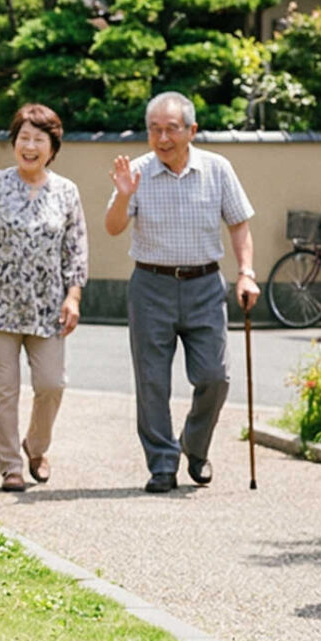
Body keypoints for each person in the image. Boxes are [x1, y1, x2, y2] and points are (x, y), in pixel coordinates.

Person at [104, 91, 260, 493]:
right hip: (150, 285)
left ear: (191, 130)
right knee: (152, 380)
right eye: (154, 129)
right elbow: (113, 227)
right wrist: (123, 196)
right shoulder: (136, 172)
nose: (162, 138)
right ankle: (161, 464)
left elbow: (239, 224)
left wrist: (246, 273)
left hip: (205, 284)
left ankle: (195, 443)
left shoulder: (217, 168)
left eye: (171, 128)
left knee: (215, 376)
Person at [0, 103, 87, 491]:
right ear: (13, 142)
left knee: (52, 383)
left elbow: (75, 250)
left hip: (48, 307)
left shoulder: (66, 191)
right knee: (4, 391)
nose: (30, 146)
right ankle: (11, 467)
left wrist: (73, 297)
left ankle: (36, 446)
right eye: (23, 137)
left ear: (52, 147)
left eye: (38, 139)